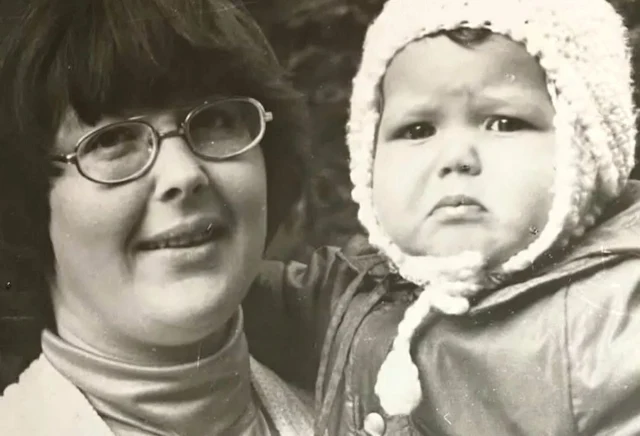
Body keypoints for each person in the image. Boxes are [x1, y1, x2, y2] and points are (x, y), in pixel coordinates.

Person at [244, 0, 640, 434]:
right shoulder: (359, 291)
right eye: (417, 130)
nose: (456, 157)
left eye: (503, 123)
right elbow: (237, 297)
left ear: (588, 150)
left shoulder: (613, 318)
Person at [0, 0, 313, 434]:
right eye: (113, 140)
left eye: (216, 119)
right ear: (28, 200)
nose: (184, 174)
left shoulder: (360, 414)